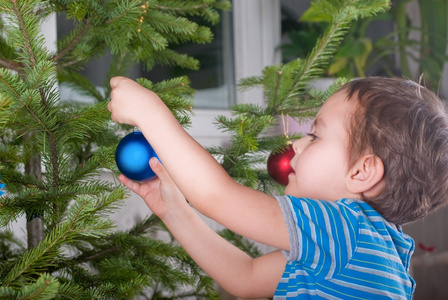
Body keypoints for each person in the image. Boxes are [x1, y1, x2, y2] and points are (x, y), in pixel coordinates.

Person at [108, 76, 448, 299]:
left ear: (362, 172)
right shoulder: (360, 246)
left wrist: (150, 113)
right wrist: (175, 211)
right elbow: (245, 277)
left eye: (315, 136)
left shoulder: (347, 230)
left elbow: (217, 195)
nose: (297, 145)